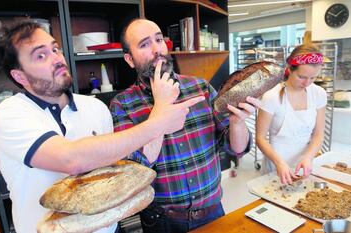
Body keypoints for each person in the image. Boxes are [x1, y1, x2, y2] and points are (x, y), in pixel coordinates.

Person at [0, 20, 204, 233]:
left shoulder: (95, 108)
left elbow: (117, 173)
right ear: (19, 75)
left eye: (55, 49)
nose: (57, 58)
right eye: (41, 55)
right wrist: (159, 122)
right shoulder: (8, 114)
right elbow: (71, 159)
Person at [109, 18, 260, 233]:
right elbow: (134, 173)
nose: (156, 49)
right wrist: (160, 110)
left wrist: (237, 121)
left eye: (159, 40)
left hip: (213, 212)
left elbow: (236, 148)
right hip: (162, 222)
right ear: (129, 59)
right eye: (144, 44)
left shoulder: (201, 88)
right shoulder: (122, 105)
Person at [256, 43, 326, 185]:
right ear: (289, 69)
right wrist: (279, 163)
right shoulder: (272, 97)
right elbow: (260, 138)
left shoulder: (318, 93)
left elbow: (319, 134)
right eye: (302, 77)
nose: (307, 83)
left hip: (305, 166)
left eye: (313, 78)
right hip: (276, 166)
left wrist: (308, 157)